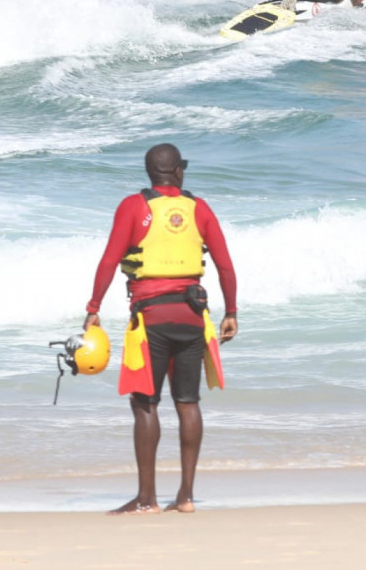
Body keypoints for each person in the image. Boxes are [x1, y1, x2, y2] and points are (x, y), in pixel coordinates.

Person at [84, 143, 238, 515]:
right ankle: (185, 497)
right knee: (188, 403)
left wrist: (93, 309)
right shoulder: (199, 208)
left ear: (150, 172)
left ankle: (146, 499)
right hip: (192, 317)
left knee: (145, 404)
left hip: (151, 320)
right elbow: (224, 265)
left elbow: (109, 261)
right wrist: (231, 311)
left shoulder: (133, 207)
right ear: (178, 171)